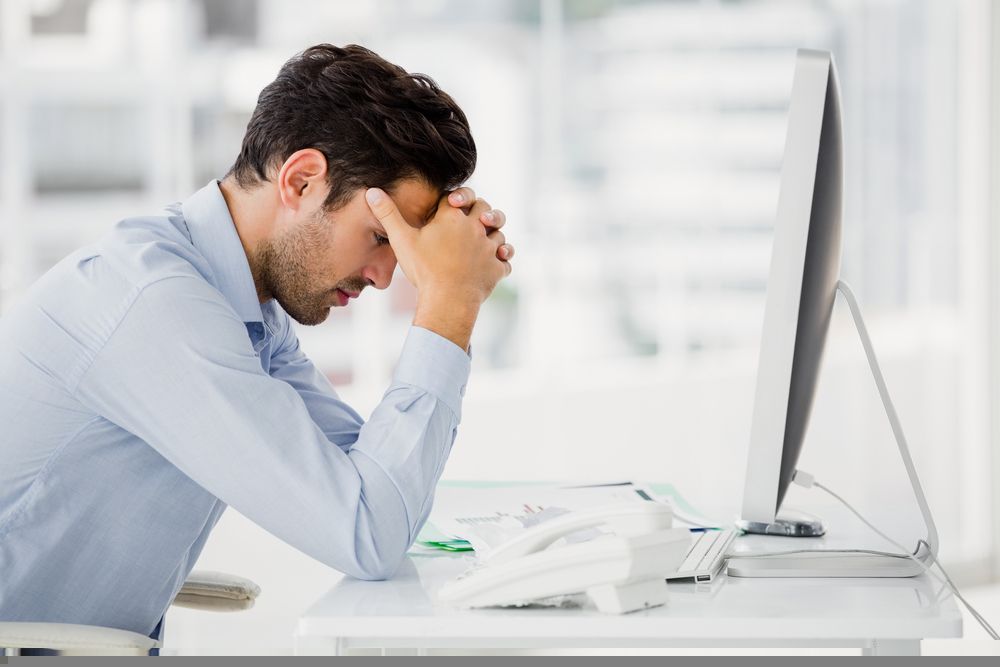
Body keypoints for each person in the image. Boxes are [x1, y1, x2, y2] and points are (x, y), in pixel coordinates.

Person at [0, 44, 513, 639]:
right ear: (301, 180)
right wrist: (450, 304)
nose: (383, 275)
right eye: (380, 238)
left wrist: (453, 299)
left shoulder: (249, 313)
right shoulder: (159, 304)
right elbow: (368, 531)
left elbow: (377, 484)